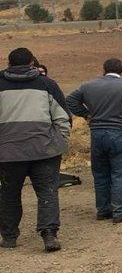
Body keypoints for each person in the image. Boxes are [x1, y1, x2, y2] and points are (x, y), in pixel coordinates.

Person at [0, 48, 72, 251]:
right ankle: (49, 235)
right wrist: (61, 142)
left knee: (8, 194)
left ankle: (9, 237)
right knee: (47, 192)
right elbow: (63, 117)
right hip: (45, 150)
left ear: (9, 63)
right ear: (32, 63)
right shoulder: (47, 84)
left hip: (8, 153)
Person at [66, 57, 122, 223]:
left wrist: (86, 114)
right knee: (121, 172)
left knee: (101, 173)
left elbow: (70, 100)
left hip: (97, 133)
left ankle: (103, 210)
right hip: (121, 133)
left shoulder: (89, 85)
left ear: (103, 69)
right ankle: (120, 211)